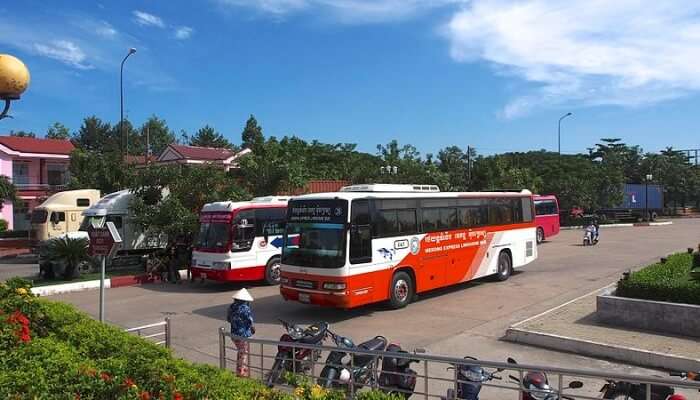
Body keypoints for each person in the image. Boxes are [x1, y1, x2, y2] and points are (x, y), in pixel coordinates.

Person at [227, 288, 255, 377]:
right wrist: (252, 328)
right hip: (243, 334)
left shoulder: (232, 306)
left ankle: (242, 369)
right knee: (243, 352)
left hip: (233, 333)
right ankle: (241, 372)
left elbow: (228, 319)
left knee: (241, 352)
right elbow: (249, 320)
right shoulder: (245, 308)